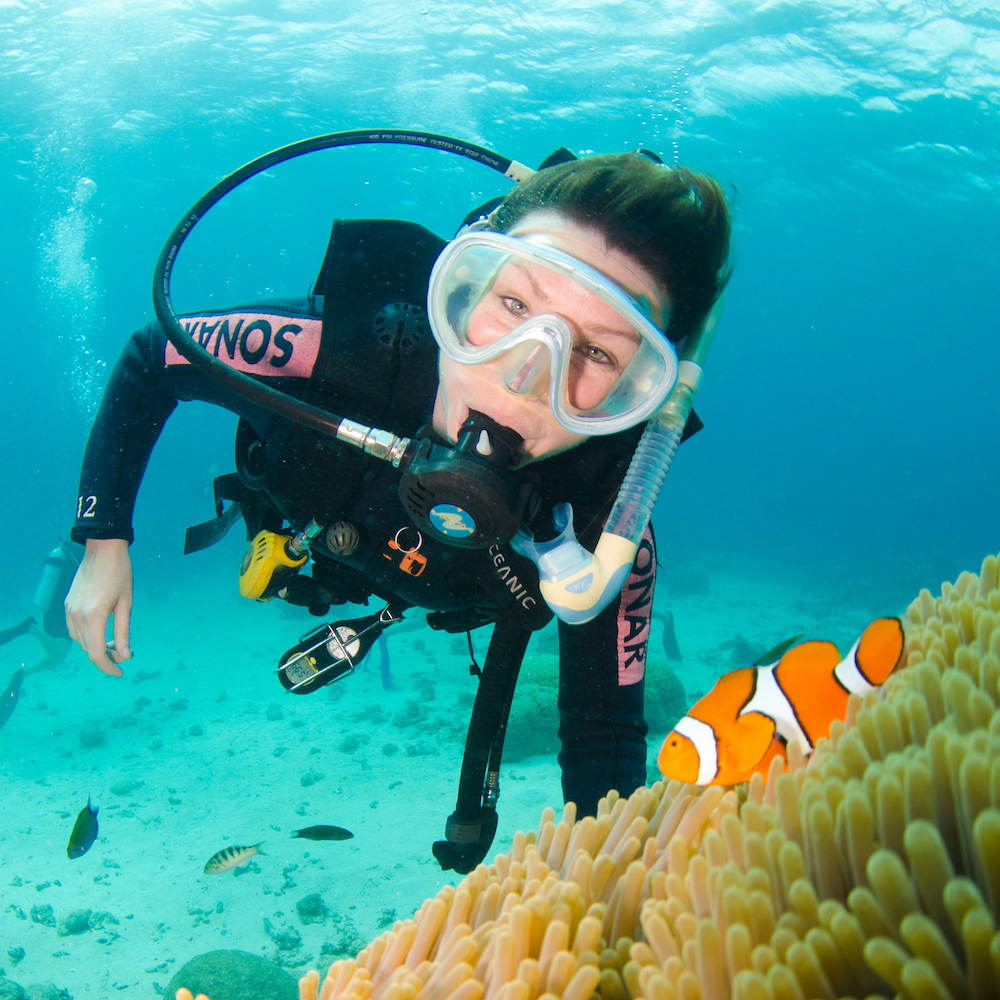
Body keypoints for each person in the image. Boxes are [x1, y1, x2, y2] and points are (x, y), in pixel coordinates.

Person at [65, 143, 732, 871]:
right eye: (513, 305)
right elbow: (153, 354)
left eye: (598, 355)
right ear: (459, 290)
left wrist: (608, 895)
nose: (523, 373)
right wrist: (103, 539)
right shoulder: (348, 348)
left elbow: (605, 726)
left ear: (640, 395)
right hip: (302, 534)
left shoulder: (607, 524)